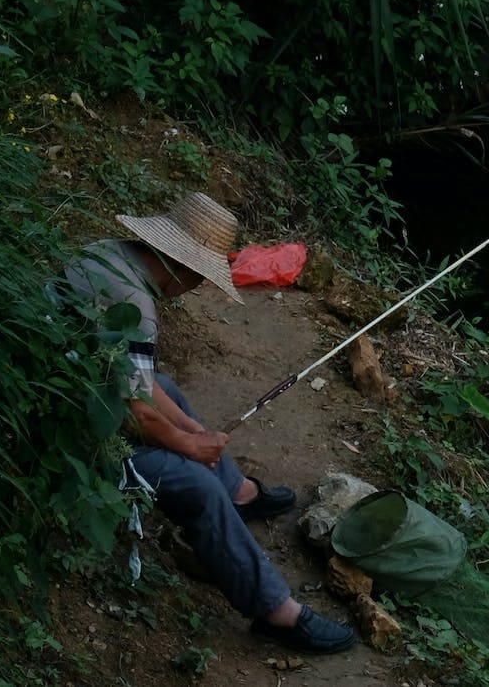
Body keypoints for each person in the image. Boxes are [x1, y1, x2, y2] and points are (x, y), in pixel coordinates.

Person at [61, 192, 356, 656]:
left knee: (169, 389)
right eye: (200, 278)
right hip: (78, 433)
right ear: (185, 269)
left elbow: (132, 381)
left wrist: (188, 430)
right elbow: (132, 414)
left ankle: (239, 494)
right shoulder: (137, 305)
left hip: (71, 389)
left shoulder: (105, 254)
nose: (196, 287)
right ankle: (276, 613)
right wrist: (186, 445)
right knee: (197, 486)